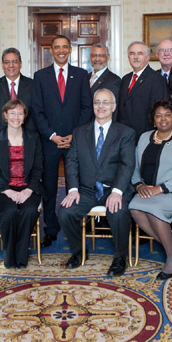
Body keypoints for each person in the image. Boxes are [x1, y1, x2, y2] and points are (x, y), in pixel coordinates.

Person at [59, 89, 136, 276]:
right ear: (93, 105)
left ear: (114, 106)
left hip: (113, 188)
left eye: (105, 102)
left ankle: (120, 257)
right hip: (86, 190)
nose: (101, 106)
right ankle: (78, 251)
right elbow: (71, 161)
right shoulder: (79, 132)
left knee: (118, 212)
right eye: (97, 102)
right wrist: (73, 189)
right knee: (65, 212)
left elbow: (127, 164)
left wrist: (117, 191)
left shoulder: (125, 132)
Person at [32, 35, 93, 247]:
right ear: (51, 50)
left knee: (74, 185)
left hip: (75, 141)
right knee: (49, 187)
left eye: (65, 47)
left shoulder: (81, 74)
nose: (61, 50)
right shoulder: (40, 76)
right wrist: (52, 136)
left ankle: (73, 226)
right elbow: (37, 110)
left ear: (70, 50)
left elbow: (87, 108)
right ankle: (50, 228)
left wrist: (73, 135)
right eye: (57, 47)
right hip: (49, 141)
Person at [130, 100, 172, 279]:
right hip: (147, 191)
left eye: (167, 115)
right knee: (135, 208)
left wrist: (161, 188)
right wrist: (139, 185)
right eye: (158, 115)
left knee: (153, 210)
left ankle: (171, 258)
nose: (163, 119)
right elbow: (135, 167)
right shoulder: (145, 137)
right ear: (153, 120)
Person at [0, 99, 43, 269]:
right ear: (5, 115)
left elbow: (38, 168)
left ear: (24, 116)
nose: (16, 117)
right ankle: (9, 256)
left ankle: (21, 255)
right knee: (9, 211)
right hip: (2, 188)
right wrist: (7, 190)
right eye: (12, 113)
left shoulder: (33, 137)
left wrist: (29, 189)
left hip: (28, 187)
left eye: (20, 113)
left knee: (29, 210)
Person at [118, 41, 168, 138]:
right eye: (132, 53)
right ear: (128, 58)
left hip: (144, 136)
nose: (135, 57)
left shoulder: (156, 79)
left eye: (140, 53)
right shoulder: (125, 79)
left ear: (147, 57)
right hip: (123, 135)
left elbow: (158, 111)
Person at [0, 48, 34, 134]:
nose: (11, 65)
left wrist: (25, 134)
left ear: (20, 64)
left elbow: (36, 113)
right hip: (0, 138)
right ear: (3, 65)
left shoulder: (33, 85)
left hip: (28, 137)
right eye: (7, 62)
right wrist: (4, 134)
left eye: (15, 62)